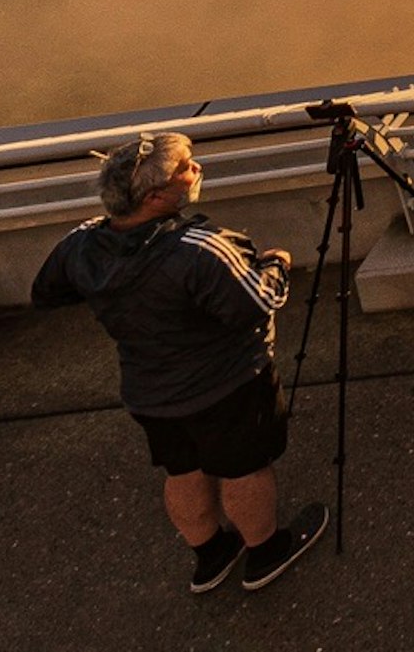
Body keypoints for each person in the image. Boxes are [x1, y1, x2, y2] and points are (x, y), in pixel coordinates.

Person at [31, 131, 328, 594]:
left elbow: (47, 291)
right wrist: (278, 265)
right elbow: (255, 301)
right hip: (226, 384)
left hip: (150, 391)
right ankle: (266, 553)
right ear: (155, 196)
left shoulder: (83, 244)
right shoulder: (196, 247)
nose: (198, 169)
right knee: (242, 468)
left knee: (183, 470)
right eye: (187, 167)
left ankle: (211, 557)